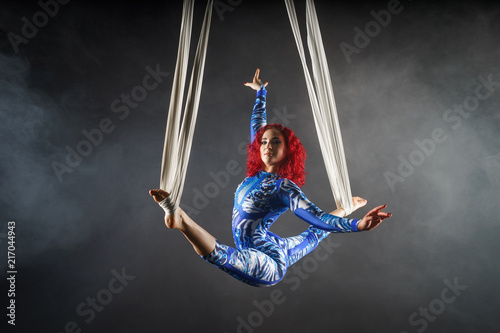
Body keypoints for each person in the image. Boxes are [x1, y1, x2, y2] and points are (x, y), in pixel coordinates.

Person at [150, 69, 392, 287]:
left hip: (268, 262)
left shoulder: (285, 188)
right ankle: (346, 208)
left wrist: (359, 226)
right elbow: (259, 125)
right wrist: (261, 93)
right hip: (276, 245)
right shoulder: (256, 173)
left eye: (276, 142)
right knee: (312, 236)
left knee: (224, 257)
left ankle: (180, 219)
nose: (267, 146)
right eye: (264, 142)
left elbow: (316, 218)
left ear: (288, 150)